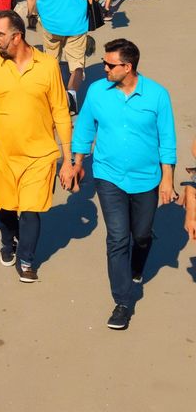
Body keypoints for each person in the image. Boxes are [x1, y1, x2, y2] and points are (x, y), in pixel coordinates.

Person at [61, 38, 178, 328]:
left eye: (110, 64)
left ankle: (138, 263)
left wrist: (168, 181)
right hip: (108, 176)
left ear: (128, 67)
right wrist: (76, 162)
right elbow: (85, 127)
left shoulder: (157, 96)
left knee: (140, 235)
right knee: (117, 237)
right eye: (104, 62)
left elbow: (168, 142)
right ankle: (122, 302)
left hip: (147, 179)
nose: (104, 67)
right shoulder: (99, 92)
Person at [0, 8, 73, 281]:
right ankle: (9, 242)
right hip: (4, 154)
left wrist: (68, 159)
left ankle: (27, 260)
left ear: (17, 36)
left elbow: (61, 113)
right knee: (6, 208)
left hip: (40, 155)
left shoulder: (48, 66)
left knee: (31, 210)